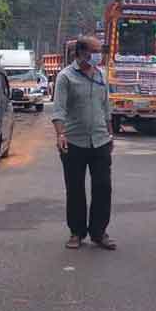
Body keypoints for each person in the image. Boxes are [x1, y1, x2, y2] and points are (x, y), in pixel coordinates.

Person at [52, 36, 117, 251]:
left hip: (100, 141)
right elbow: (59, 110)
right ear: (81, 53)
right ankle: (76, 232)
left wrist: (110, 133)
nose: (99, 55)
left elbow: (106, 107)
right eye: (95, 51)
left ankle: (99, 232)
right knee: (75, 189)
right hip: (73, 142)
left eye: (100, 51)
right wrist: (60, 135)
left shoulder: (101, 75)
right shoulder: (65, 77)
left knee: (103, 187)